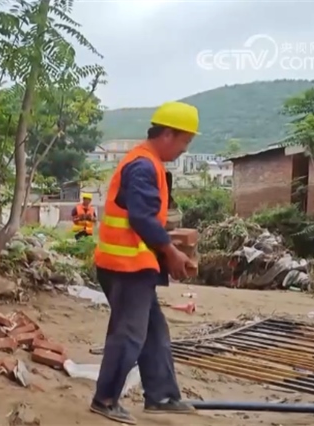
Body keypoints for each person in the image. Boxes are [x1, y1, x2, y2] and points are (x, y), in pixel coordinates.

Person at [89, 101, 199, 424]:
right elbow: (141, 217)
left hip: (134, 266)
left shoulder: (148, 163)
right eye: (184, 141)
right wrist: (171, 252)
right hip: (124, 267)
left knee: (153, 332)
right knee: (129, 334)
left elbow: (144, 218)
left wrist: (167, 248)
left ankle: (161, 396)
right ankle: (104, 399)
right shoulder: (143, 166)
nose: (184, 149)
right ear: (167, 135)